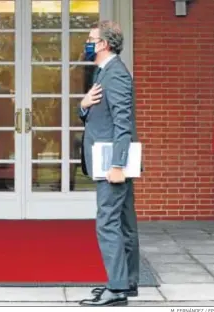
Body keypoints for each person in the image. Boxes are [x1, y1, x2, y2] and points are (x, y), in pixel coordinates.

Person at [78, 20, 140, 307]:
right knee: (124, 222)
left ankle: (117, 288)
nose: (87, 43)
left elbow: (123, 123)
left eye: (90, 39)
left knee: (108, 223)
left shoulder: (115, 75)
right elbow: (96, 113)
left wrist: (118, 165)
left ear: (103, 44)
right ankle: (126, 282)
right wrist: (83, 105)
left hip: (111, 161)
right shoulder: (104, 72)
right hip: (109, 159)